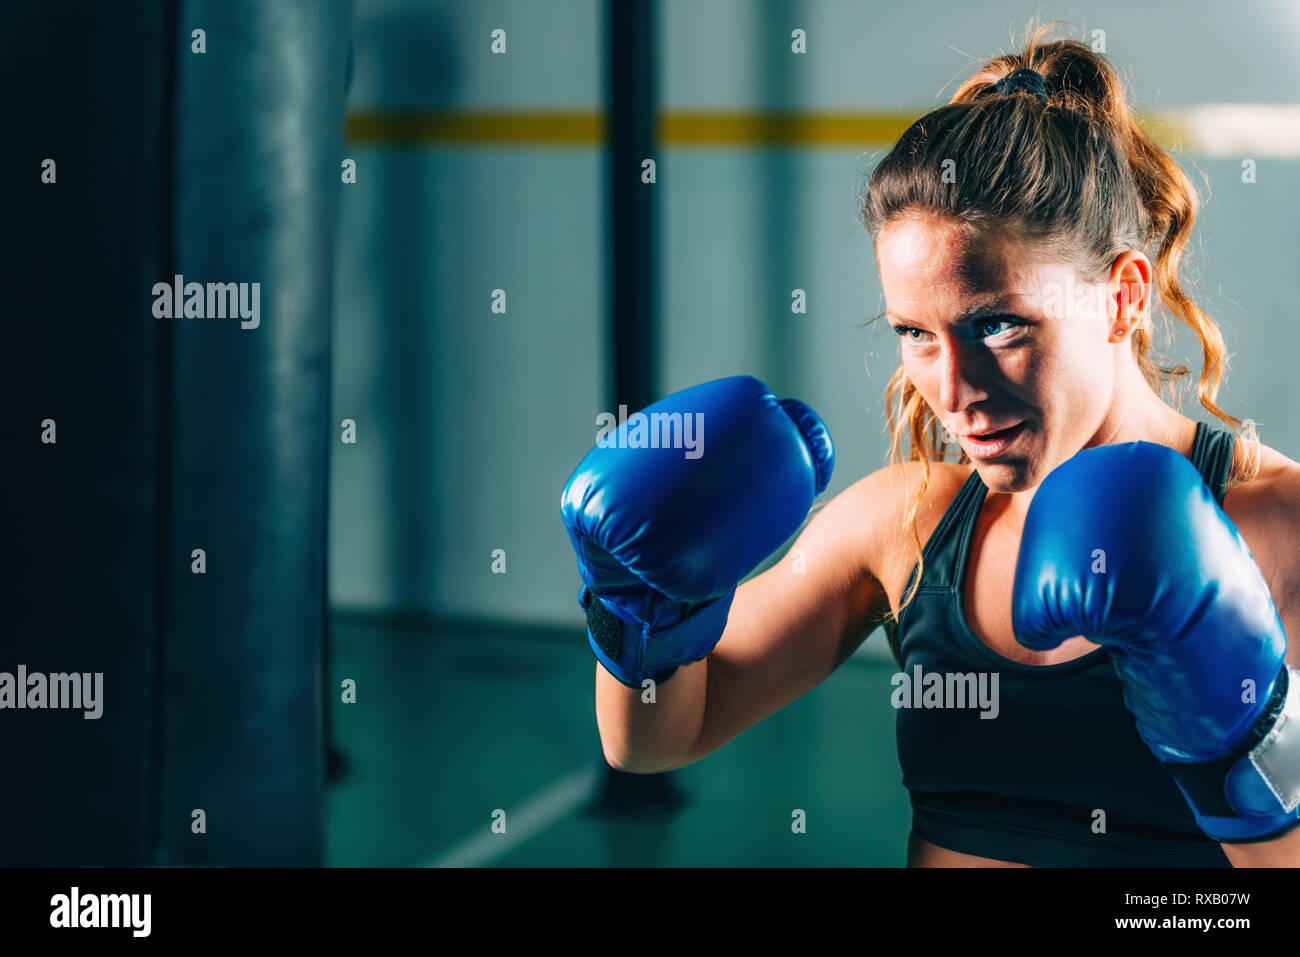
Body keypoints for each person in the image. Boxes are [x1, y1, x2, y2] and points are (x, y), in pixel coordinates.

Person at [561, 26, 1300, 866]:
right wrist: (637, 608)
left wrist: (1240, 745)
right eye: (916, 333)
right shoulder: (906, 523)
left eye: (998, 323)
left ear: (1123, 297)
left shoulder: (1280, 529)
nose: (953, 389)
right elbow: (658, 738)